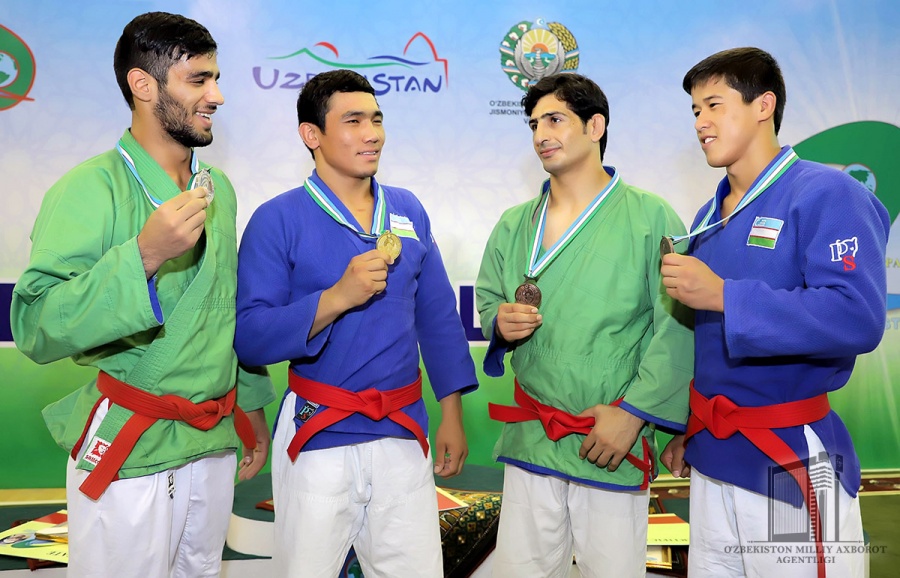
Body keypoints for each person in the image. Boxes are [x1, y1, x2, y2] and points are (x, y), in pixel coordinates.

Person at [10, 12, 275, 578]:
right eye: (198, 80)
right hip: (133, 448)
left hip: (212, 440)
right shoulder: (89, 188)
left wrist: (251, 403)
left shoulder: (218, 190)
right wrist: (145, 256)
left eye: (216, 78)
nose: (217, 96)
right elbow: (34, 324)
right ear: (143, 85)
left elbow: (225, 307)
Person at [234, 69, 478, 577]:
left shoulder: (408, 210)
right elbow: (251, 338)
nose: (373, 134)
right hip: (317, 434)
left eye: (377, 119)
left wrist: (452, 412)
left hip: (402, 432)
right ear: (312, 134)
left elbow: (437, 318)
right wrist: (337, 298)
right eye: (353, 121)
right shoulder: (276, 219)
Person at [660, 47, 890, 578]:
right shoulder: (707, 216)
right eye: (695, 110)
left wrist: (726, 296)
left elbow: (858, 315)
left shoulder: (828, 192)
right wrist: (687, 425)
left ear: (763, 105)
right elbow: (704, 342)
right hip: (712, 458)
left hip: (790, 460)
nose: (700, 122)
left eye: (714, 105)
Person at [475, 72, 694, 577]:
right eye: (534, 124)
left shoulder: (652, 217)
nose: (541, 135)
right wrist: (499, 323)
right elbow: (487, 301)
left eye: (555, 120)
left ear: (595, 127)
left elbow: (678, 328)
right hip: (533, 434)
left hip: (608, 439)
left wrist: (633, 415)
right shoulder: (514, 223)